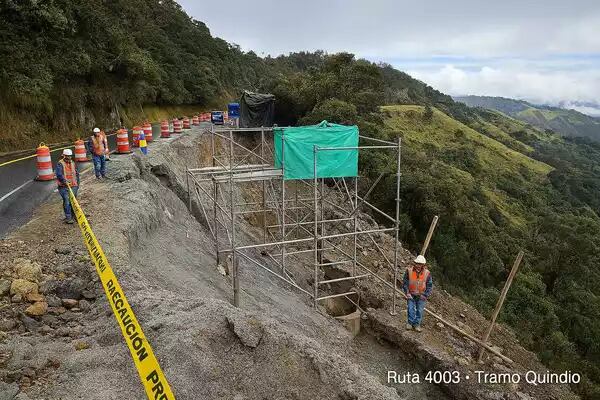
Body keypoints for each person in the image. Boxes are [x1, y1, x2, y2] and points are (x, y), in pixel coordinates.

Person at [403, 255, 433, 332]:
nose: (418, 265)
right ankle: (410, 323)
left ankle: (416, 324)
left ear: (423, 265)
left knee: (419, 310)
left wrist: (425, 295)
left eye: (420, 264)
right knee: (410, 309)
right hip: (411, 294)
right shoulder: (409, 271)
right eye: (417, 263)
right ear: (415, 263)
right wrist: (407, 292)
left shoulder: (427, 273)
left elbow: (429, 286)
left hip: (421, 295)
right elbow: (405, 283)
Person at [55, 149, 80, 224]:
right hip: (64, 187)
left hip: (73, 185)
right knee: (67, 201)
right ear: (64, 156)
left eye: (70, 156)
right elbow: (59, 175)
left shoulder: (73, 163)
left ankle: (75, 216)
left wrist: (78, 184)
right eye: (67, 156)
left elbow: (76, 173)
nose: (69, 158)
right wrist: (64, 182)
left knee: (74, 201)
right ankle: (68, 218)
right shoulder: (60, 164)